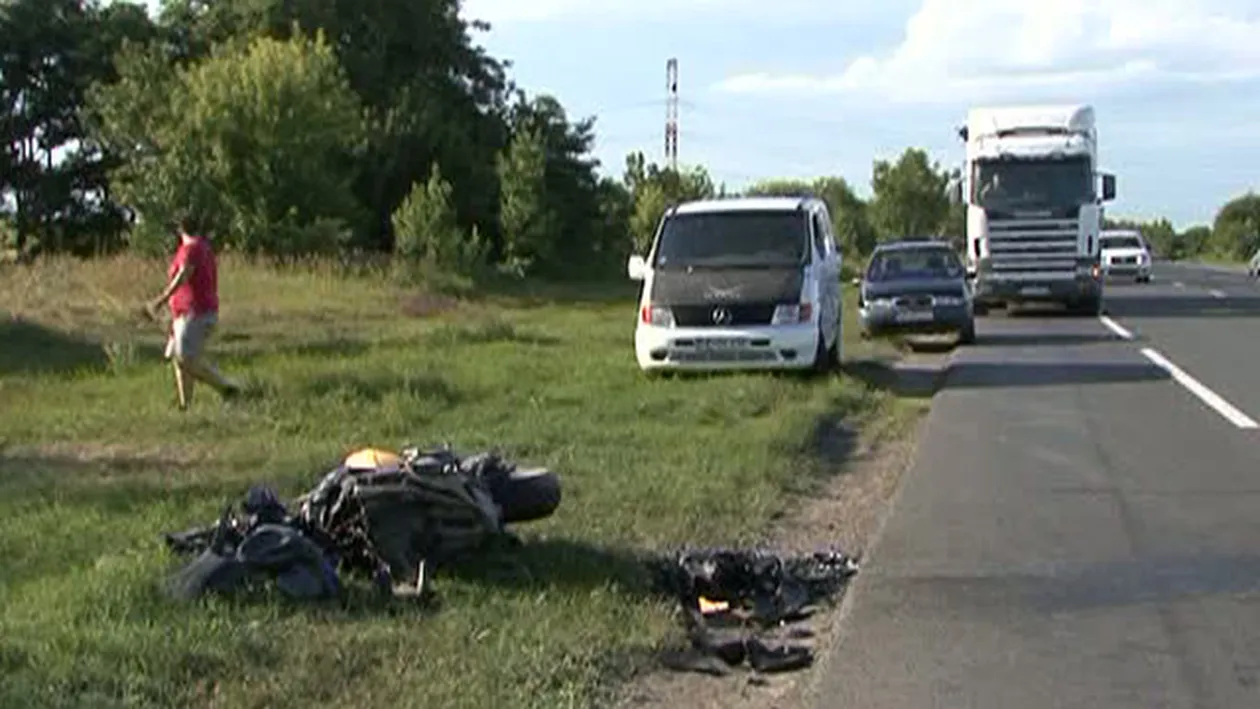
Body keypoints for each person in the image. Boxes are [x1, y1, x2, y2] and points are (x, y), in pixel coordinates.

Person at [145, 215, 240, 409]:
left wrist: (161, 300)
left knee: (186, 358)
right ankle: (184, 404)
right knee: (177, 357)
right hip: (182, 313)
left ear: (180, 230)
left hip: (195, 312)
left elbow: (183, 275)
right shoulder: (199, 248)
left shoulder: (193, 248)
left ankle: (225, 387)